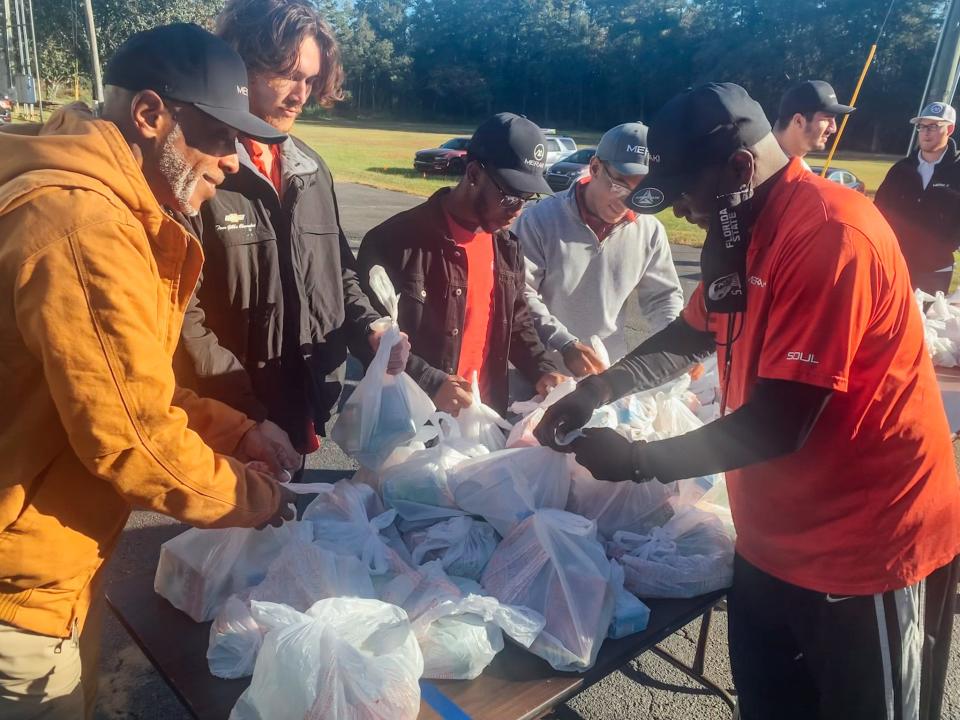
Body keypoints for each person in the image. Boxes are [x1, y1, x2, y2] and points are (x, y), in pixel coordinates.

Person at [536, 83, 960, 720]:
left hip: (864, 547)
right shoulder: (741, 226)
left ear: (739, 168)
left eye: (684, 191)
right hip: (770, 537)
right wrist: (598, 389)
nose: (679, 210)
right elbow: (692, 333)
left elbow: (779, 423)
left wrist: (636, 460)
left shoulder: (829, 235)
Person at [0, 24, 301, 720]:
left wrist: (238, 431)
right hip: (21, 591)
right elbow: (134, 440)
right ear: (149, 115)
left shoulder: (101, 201)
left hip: (56, 570)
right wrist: (258, 500)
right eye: (220, 137)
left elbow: (128, 389)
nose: (233, 161)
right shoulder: (84, 225)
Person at [175, 0, 406, 463]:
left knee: (289, 530)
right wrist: (244, 416)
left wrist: (372, 328)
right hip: (230, 420)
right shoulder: (201, 167)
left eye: (310, 79)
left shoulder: (311, 168)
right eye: (287, 74)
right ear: (241, 63)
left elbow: (338, 271)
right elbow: (182, 314)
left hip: (305, 403)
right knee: (224, 535)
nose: (300, 95)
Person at [358, 112, 567, 415]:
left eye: (528, 197)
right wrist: (431, 382)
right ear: (473, 174)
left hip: (482, 418)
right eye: (510, 195)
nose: (518, 209)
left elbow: (518, 325)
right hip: (412, 422)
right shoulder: (394, 241)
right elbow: (366, 337)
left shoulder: (507, 248)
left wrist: (542, 369)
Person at [514, 121, 683, 375]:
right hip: (541, 371)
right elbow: (519, 294)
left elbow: (663, 298)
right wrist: (565, 343)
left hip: (605, 376)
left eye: (640, 191)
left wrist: (676, 346)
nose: (627, 201)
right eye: (619, 185)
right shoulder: (539, 220)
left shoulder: (650, 231)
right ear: (594, 168)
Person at [874, 101, 960, 294]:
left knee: (926, 323)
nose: (926, 132)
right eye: (922, 126)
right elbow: (878, 213)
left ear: (950, 129)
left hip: (936, 271)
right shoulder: (900, 170)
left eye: (934, 126)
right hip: (895, 265)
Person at [773, 80, 854, 165]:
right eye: (827, 118)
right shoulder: (763, 169)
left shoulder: (793, 166)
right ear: (798, 121)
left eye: (834, 118)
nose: (833, 129)